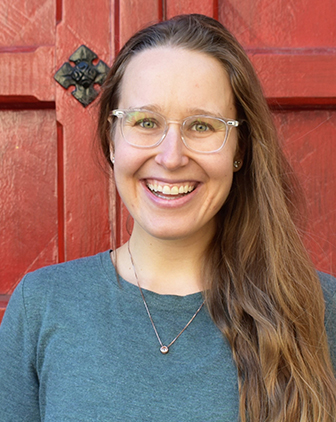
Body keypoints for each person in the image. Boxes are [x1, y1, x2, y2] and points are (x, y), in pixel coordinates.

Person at [0, 13, 336, 422]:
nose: (171, 156)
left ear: (240, 149)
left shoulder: (318, 310)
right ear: (111, 139)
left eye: (202, 125)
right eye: (145, 122)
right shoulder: (43, 306)